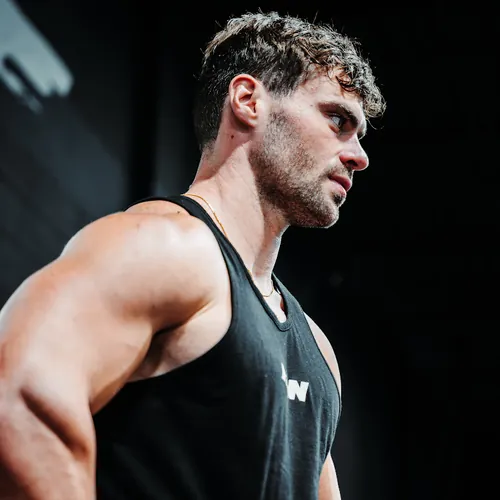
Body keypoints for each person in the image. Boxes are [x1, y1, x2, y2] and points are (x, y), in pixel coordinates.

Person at [0, 11, 385, 500]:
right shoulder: (165, 247)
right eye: (337, 120)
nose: (359, 156)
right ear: (248, 101)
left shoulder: (318, 352)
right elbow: (19, 398)